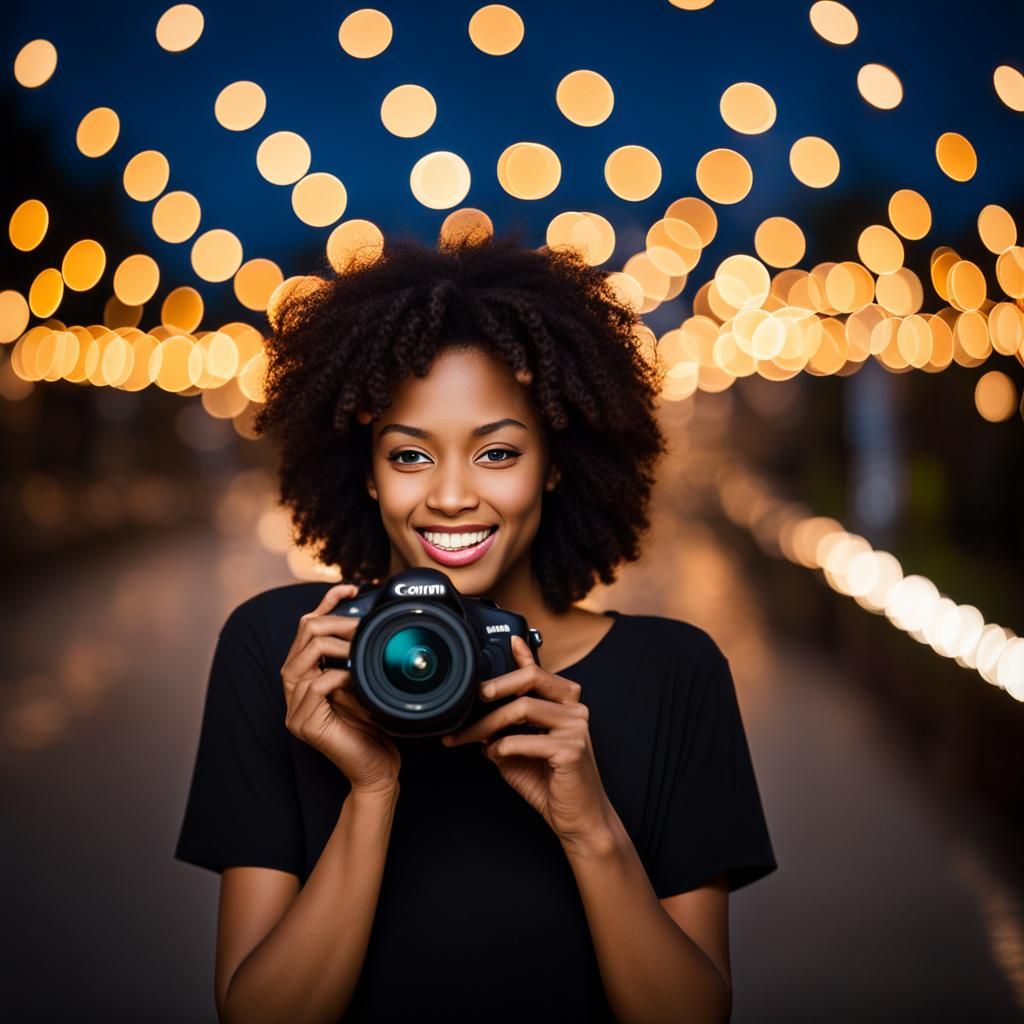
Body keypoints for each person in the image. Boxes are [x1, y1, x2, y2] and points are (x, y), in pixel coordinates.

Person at [175, 232, 778, 1023]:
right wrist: (371, 788)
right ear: (364, 469)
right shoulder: (282, 653)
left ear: (556, 463)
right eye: (410, 456)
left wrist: (592, 826)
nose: (452, 496)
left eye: (496, 453)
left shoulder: (675, 673)